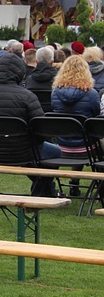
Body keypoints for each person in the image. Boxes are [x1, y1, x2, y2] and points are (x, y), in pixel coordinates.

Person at [0, 53, 62, 197]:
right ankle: (43, 189)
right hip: (25, 151)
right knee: (55, 152)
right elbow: (42, 131)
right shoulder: (27, 97)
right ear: (20, 72)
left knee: (45, 153)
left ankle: (44, 189)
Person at [51, 55, 100, 196]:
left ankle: (74, 183)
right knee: (86, 135)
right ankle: (99, 190)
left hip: (61, 145)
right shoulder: (91, 94)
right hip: (86, 148)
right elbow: (96, 117)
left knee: (77, 133)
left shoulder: (55, 93)